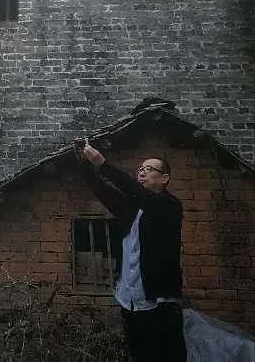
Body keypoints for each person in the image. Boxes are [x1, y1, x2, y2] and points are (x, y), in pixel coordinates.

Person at [74, 138, 186, 362]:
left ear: (164, 178)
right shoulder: (131, 208)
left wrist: (102, 163)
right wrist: (84, 162)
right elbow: (101, 189)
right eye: (140, 169)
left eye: (149, 169)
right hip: (129, 299)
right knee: (138, 355)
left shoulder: (169, 206)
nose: (142, 172)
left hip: (158, 302)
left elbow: (132, 189)